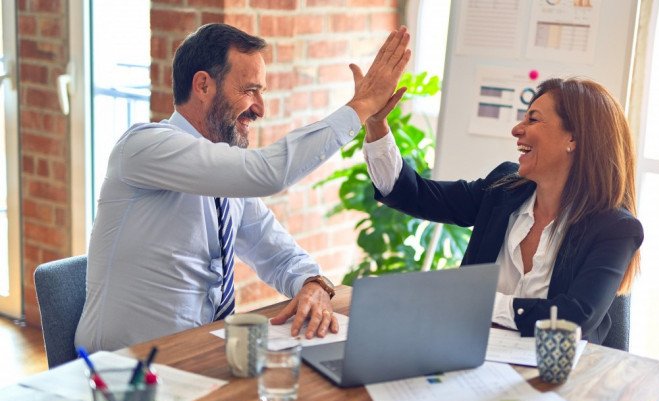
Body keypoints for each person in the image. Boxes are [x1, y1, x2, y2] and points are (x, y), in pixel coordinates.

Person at [75, 23, 411, 352]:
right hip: (122, 372)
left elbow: (278, 253)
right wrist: (362, 106)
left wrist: (313, 284)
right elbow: (269, 173)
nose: (260, 109)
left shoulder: (226, 180)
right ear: (203, 86)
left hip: (198, 358)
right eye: (250, 90)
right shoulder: (144, 146)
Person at [362, 78, 643, 344]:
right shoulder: (503, 189)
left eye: (533, 119)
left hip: (558, 380)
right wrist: (376, 125)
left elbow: (573, 318)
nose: (517, 129)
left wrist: (478, 302)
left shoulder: (615, 228)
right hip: (471, 357)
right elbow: (416, 195)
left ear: (574, 138)